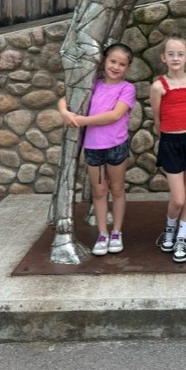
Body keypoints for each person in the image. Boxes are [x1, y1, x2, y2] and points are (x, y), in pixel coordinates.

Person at [58, 42, 136, 256]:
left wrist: (82, 120)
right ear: (104, 62)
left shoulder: (127, 89)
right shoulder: (92, 85)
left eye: (122, 64)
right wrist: (65, 113)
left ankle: (117, 231)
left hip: (116, 147)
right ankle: (103, 233)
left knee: (117, 190)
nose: (116, 67)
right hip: (93, 148)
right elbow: (65, 99)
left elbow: (114, 115)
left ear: (127, 67)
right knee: (99, 192)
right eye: (113, 61)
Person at [150, 34, 186, 263]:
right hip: (169, 143)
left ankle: (182, 238)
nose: (175, 58)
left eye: (180, 54)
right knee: (178, 198)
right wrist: (166, 139)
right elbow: (157, 119)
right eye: (171, 54)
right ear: (163, 58)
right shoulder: (158, 86)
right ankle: (169, 228)